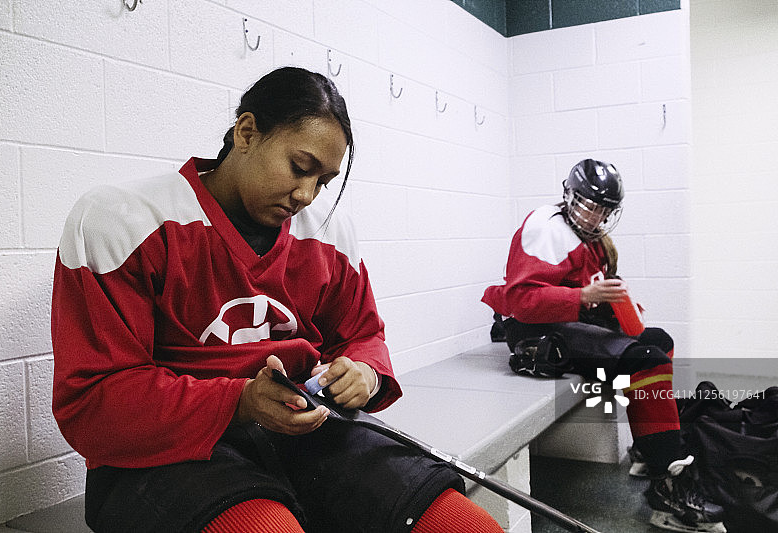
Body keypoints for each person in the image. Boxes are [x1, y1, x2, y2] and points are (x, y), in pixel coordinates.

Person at [52, 67, 504, 533]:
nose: (306, 195)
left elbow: (362, 334)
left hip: (306, 436)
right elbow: (92, 400)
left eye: (323, 181)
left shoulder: (330, 232)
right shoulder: (122, 220)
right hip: (167, 454)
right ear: (247, 132)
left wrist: (364, 373)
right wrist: (241, 401)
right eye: (299, 168)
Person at [481, 159, 726, 533]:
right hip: (534, 331)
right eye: (587, 205)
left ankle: (650, 445)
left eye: (603, 210)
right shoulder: (546, 228)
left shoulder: (594, 240)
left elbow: (589, 291)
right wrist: (583, 295)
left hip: (570, 322)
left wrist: (612, 303)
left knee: (659, 341)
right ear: (569, 196)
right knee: (648, 361)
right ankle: (666, 488)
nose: (594, 215)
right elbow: (519, 302)